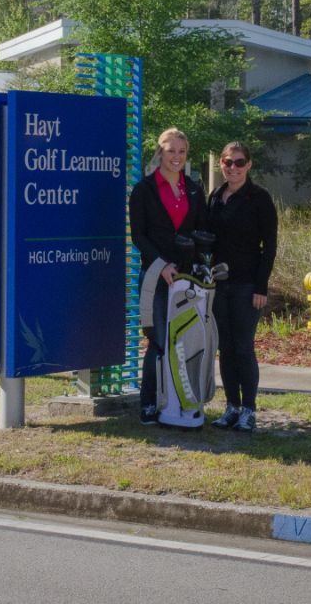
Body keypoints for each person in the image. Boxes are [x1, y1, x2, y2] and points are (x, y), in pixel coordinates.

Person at [128, 127, 208, 426]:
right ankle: (149, 403)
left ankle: (182, 402)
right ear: (159, 152)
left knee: (185, 341)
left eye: (182, 151)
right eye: (171, 150)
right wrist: (161, 266)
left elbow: (201, 230)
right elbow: (139, 236)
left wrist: (197, 263)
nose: (176, 157)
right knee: (159, 340)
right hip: (156, 276)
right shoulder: (144, 190)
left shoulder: (195, 189)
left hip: (188, 278)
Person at [207, 141, 277, 432]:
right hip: (219, 285)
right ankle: (231, 406)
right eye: (227, 162)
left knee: (243, 347)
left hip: (247, 285)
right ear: (220, 164)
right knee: (225, 348)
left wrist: (261, 286)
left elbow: (269, 246)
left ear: (249, 165)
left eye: (238, 162)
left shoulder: (259, 198)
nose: (232, 168)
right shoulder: (216, 196)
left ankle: (249, 409)